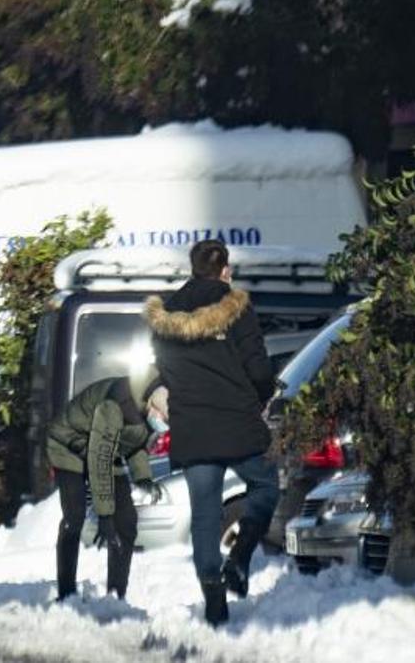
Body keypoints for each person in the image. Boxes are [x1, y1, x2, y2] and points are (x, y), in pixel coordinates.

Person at [144, 239, 278, 625]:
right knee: (266, 486)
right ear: (225, 270)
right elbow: (257, 366)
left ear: (192, 268)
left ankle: (213, 597)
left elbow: (165, 372)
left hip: (193, 428)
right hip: (237, 422)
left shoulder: (165, 316)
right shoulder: (236, 308)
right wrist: (261, 395)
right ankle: (239, 557)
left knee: (204, 514)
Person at [47, 374, 168, 601]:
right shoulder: (116, 405)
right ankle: (66, 592)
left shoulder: (149, 413)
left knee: (127, 523)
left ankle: (115, 596)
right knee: (74, 517)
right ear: (152, 405)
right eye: (162, 418)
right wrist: (104, 516)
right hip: (68, 444)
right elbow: (99, 461)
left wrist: (143, 477)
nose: (162, 425)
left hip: (102, 447)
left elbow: (136, 443)